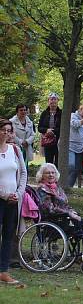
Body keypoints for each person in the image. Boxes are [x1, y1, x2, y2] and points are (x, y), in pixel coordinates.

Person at [0, 118, 27, 286]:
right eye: (3, 130)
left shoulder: (15, 150)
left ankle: (3, 270)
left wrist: (18, 193)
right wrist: (4, 194)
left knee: (9, 235)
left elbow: (23, 173)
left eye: (9, 130)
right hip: (2, 198)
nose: (6, 133)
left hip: (13, 201)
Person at [68, 103, 83, 187]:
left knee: (77, 169)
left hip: (81, 147)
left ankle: (69, 187)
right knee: (71, 166)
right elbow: (75, 124)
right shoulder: (73, 116)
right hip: (70, 146)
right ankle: (63, 185)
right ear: (80, 109)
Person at [38, 93, 62, 166]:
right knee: (48, 162)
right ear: (48, 101)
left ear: (58, 101)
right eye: (51, 99)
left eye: (55, 99)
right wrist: (46, 130)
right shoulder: (44, 113)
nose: (53, 101)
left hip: (59, 141)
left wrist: (53, 131)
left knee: (58, 161)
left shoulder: (61, 113)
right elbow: (39, 127)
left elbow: (63, 128)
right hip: (47, 141)